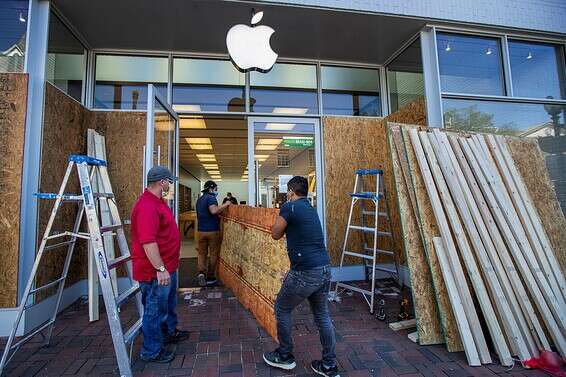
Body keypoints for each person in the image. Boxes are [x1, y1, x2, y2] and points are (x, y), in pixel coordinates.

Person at [263, 176, 340, 377]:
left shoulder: (290, 207)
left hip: (305, 271)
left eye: (288, 192)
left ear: (290, 192)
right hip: (324, 268)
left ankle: (285, 355)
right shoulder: (310, 209)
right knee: (322, 315)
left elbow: (275, 233)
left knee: (282, 307)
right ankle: (329, 365)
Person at [131, 166, 189, 363]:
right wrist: (160, 268)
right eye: (169, 182)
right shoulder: (147, 206)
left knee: (167, 306)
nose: (170, 185)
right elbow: (148, 241)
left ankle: (168, 334)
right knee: (154, 310)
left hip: (166, 268)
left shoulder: (158, 202)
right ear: (161, 182)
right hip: (155, 272)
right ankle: (151, 350)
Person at [196, 180, 231, 287]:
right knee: (213, 253)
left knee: (201, 253)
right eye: (215, 189)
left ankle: (201, 273)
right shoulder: (211, 198)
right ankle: (210, 277)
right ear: (211, 189)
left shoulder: (200, 199)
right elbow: (214, 210)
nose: (216, 191)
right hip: (212, 231)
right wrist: (226, 204)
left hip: (201, 231)